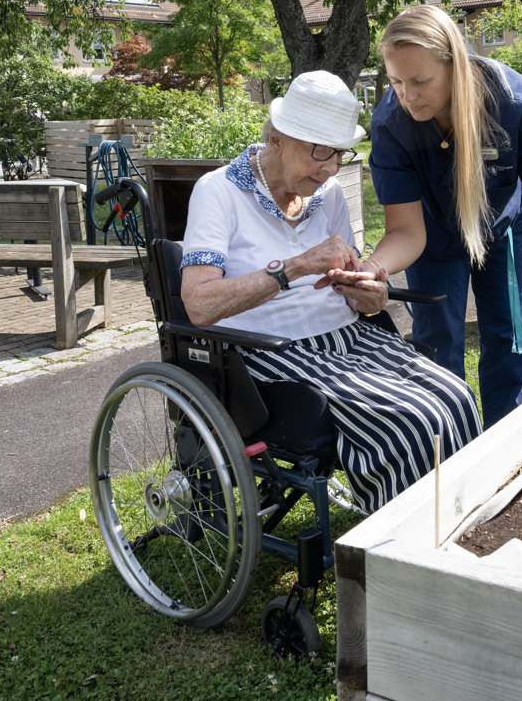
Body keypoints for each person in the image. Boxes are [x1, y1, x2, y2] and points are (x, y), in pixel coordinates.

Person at [178, 71, 482, 512]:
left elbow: (351, 284)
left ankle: (460, 520)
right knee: (415, 420)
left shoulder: (329, 192)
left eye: (339, 153)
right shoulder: (219, 191)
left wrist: (367, 292)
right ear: (277, 139)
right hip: (272, 351)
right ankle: (404, 538)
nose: (331, 167)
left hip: (349, 336)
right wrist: (296, 266)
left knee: (456, 397)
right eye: (320, 151)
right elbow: (199, 304)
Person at [352, 5, 522, 430]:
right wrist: (373, 267)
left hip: (504, 229)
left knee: (508, 338)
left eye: (420, 81)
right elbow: (405, 230)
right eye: (395, 81)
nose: (407, 95)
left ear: (455, 66)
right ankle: (450, 447)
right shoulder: (391, 123)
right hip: (433, 237)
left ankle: (509, 441)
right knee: (437, 345)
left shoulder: (512, 101)